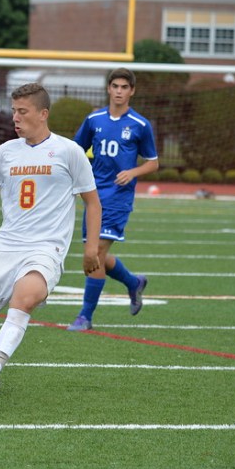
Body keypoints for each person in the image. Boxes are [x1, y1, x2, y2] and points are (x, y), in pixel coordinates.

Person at [0, 83, 101, 401]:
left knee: (25, 299)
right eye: (13, 111)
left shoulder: (69, 151)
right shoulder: (7, 151)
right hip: (5, 246)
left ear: (43, 114)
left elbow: (92, 202)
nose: (15, 118)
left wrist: (91, 248)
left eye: (22, 111)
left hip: (46, 247)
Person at [67, 68, 159, 331]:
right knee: (96, 254)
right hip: (93, 196)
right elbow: (76, 151)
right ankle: (133, 282)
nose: (119, 91)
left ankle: (85, 317)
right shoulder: (94, 119)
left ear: (132, 91)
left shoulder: (140, 125)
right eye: (115, 86)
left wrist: (133, 172)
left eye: (124, 87)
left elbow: (153, 163)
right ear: (108, 88)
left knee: (95, 252)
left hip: (119, 197)